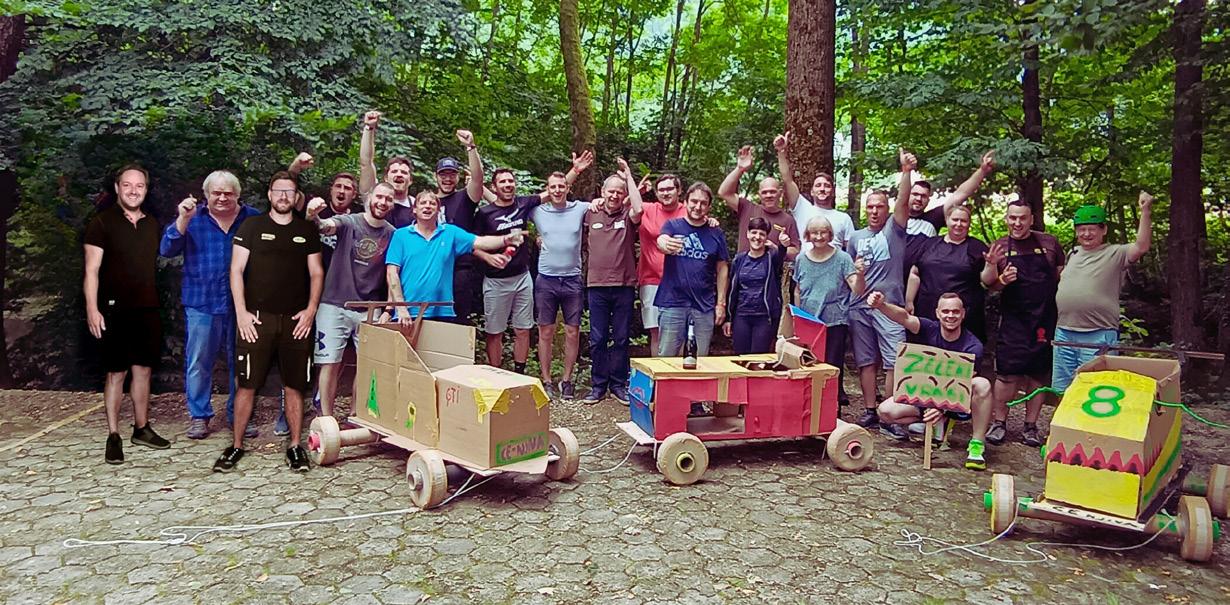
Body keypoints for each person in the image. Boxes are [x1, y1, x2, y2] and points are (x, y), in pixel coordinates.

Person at [214, 172, 324, 473]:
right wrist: (241, 313)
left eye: (289, 191)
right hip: (256, 320)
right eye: (278, 191)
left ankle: (295, 447)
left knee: (295, 386)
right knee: (246, 384)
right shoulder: (251, 226)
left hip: (296, 322)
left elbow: (316, 272)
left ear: (296, 196)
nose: (283, 196)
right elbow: (236, 271)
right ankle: (236, 446)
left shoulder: (306, 230)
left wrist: (311, 310)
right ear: (269, 194)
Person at [160, 170, 262, 440]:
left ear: (238, 195)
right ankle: (199, 416)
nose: (222, 198)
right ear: (206, 195)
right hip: (201, 302)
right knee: (199, 362)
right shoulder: (193, 218)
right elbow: (167, 249)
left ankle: (239, 415)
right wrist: (182, 219)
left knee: (242, 363)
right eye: (217, 193)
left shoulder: (253, 218)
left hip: (242, 305)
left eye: (228, 193)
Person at [84, 164, 171, 464]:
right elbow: (91, 271)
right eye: (127, 185)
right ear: (117, 188)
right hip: (113, 309)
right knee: (116, 373)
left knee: (143, 370)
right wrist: (92, 309)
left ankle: (141, 428)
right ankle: (113, 436)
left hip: (146, 307)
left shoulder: (152, 223)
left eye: (139, 186)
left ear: (146, 189)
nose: (134, 191)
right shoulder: (101, 223)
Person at [474, 157, 589, 372]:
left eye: (510, 181)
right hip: (495, 280)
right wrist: (488, 258)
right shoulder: (485, 213)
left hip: (522, 278)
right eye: (502, 182)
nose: (507, 185)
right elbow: (471, 244)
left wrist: (575, 170)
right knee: (494, 332)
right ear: (494, 187)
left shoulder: (524, 204)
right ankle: (495, 374)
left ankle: (520, 372)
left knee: (523, 329)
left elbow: (555, 191)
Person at [871, 292, 994, 471]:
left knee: (982, 385)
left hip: (956, 399)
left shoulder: (973, 346)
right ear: (937, 313)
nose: (950, 316)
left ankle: (977, 444)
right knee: (885, 411)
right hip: (926, 394)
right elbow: (904, 317)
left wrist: (942, 407)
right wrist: (881, 305)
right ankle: (935, 422)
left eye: (955, 311)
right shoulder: (929, 328)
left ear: (962, 314)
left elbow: (964, 382)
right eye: (945, 311)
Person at [305, 182, 395, 417]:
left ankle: (357, 416)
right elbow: (325, 226)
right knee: (330, 363)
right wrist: (314, 215)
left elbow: (393, 274)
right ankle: (326, 418)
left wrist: (388, 308)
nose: (383, 202)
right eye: (379, 197)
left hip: (370, 307)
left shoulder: (392, 234)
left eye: (388, 199)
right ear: (369, 197)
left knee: (368, 365)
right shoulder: (349, 222)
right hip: (334, 303)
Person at [1052, 192, 1153, 392]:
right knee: (1063, 389)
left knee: (1095, 389)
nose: (1086, 234)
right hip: (1064, 331)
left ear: (1103, 229)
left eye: (1091, 229)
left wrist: (1145, 211)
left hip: (1098, 333)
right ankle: (1063, 414)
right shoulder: (1072, 253)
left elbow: (1141, 246)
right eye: (1081, 229)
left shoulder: (1116, 252)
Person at [983, 200, 1065, 447]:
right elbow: (989, 285)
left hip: (1043, 320)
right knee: (1006, 375)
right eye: (1013, 218)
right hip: (1013, 321)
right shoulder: (999, 246)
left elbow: (1061, 276)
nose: (1017, 223)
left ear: (1031, 219)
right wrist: (1002, 279)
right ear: (1006, 219)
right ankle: (999, 422)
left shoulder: (1049, 243)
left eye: (1022, 218)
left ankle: (1031, 426)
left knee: (1037, 375)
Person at [844, 149, 913, 429]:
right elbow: (850, 274)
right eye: (870, 207)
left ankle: (890, 412)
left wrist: (906, 171)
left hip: (889, 307)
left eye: (880, 206)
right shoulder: (855, 237)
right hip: (859, 307)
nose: (874, 211)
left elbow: (904, 202)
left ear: (887, 209)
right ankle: (871, 409)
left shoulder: (894, 230)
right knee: (866, 361)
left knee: (894, 360)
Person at [385, 191, 525, 323]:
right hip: (408, 313)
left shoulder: (450, 233)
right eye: (423, 203)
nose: (427, 206)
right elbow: (392, 273)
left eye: (432, 203)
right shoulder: (400, 235)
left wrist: (505, 239)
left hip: (443, 311)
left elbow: (480, 242)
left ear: (438, 210)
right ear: (414, 209)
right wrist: (400, 307)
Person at [531, 153, 594, 399]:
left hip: (572, 279)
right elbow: (508, 207)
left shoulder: (580, 208)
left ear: (568, 188)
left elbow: (608, 204)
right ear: (547, 190)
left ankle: (566, 380)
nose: (557, 190)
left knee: (572, 331)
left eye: (561, 186)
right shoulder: (538, 211)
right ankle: (547, 379)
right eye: (552, 187)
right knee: (545, 332)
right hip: (546, 279)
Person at [581, 160, 641, 405]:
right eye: (611, 191)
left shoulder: (628, 215)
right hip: (596, 285)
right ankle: (598, 386)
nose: (615, 195)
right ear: (602, 192)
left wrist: (628, 176)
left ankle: (618, 384)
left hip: (624, 285)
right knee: (597, 338)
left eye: (619, 192)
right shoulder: (590, 213)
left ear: (624, 194)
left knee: (621, 338)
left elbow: (639, 209)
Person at [793, 216, 866, 402]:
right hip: (809, 322)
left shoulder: (842, 258)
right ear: (807, 235)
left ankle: (833, 407)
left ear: (830, 234)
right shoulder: (801, 259)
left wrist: (860, 274)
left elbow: (857, 289)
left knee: (832, 366)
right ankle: (810, 405)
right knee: (809, 364)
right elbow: (798, 290)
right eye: (814, 233)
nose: (819, 236)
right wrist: (797, 319)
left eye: (823, 232)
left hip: (835, 321)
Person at [655, 182, 730, 357]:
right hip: (673, 302)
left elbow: (722, 269)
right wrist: (664, 243)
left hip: (704, 305)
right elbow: (662, 240)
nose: (698, 206)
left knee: (700, 358)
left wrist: (721, 304)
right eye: (694, 201)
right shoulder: (673, 226)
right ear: (685, 202)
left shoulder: (716, 233)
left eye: (703, 203)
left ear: (709, 207)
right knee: (666, 357)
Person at [904, 205, 997, 342]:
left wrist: (991, 264)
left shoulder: (977, 247)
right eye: (955, 219)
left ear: (969, 223)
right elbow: (915, 273)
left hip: (964, 316)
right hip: (927, 311)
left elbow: (988, 281)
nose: (959, 224)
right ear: (947, 220)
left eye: (963, 221)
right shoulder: (929, 244)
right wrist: (909, 301)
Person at [433, 130, 486, 324]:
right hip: (432, 268)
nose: (447, 179)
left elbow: (478, 180)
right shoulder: (427, 202)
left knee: (458, 322)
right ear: (435, 177)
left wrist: (471, 147)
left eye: (452, 174)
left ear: (458, 177)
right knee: (430, 320)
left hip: (460, 270)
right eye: (443, 174)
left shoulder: (465, 197)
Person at [775, 132, 856, 252]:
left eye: (827, 186)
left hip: (834, 263)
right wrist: (781, 152)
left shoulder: (844, 218)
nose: (822, 189)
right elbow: (787, 179)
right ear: (812, 192)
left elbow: (851, 249)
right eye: (818, 185)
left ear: (833, 192)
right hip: (807, 262)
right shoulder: (802, 208)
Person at [717, 145, 800, 256]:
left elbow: (795, 251)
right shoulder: (747, 208)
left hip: (770, 267)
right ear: (759, 194)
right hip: (743, 265)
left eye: (772, 192)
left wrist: (776, 248)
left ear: (780, 193)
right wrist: (740, 169)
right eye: (765, 192)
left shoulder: (788, 220)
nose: (768, 195)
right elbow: (724, 192)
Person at [636, 175, 687, 356]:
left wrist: (711, 222)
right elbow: (624, 206)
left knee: (679, 332)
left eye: (670, 189)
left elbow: (703, 224)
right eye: (661, 190)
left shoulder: (688, 211)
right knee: (656, 331)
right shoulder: (648, 209)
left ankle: (678, 372)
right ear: (656, 193)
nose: (665, 193)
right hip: (651, 280)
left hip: (681, 281)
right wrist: (636, 189)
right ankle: (658, 373)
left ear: (679, 191)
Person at [724, 217, 790, 354]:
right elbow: (732, 291)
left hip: (764, 317)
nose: (757, 237)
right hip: (741, 316)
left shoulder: (771, 259)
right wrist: (728, 318)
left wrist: (783, 245)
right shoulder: (739, 259)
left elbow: (780, 255)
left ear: (766, 237)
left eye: (762, 234)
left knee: (759, 358)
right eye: (754, 232)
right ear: (748, 234)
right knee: (740, 357)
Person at [903, 150, 995, 238]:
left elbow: (961, 194)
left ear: (928, 200)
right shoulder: (895, 218)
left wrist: (982, 170)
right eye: (915, 194)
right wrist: (906, 169)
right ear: (907, 195)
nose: (919, 199)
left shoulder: (934, 218)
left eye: (923, 196)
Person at [358, 110, 415, 227]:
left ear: (410, 180)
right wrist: (369, 128)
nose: (399, 174)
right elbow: (366, 163)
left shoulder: (417, 206)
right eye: (394, 171)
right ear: (385, 178)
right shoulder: (373, 196)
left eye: (404, 172)